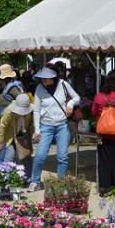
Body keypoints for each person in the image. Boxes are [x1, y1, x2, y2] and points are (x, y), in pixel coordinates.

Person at [29, 63, 80, 192]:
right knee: (40, 155)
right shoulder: (39, 88)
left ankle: (61, 184)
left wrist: (71, 104)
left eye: (46, 77)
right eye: (42, 77)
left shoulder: (63, 84)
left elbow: (77, 97)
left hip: (63, 125)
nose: (43, 80)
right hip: (46, 126)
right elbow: (36, 110)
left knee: (62, 157)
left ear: (54, 76)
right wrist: (37, 130)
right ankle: (35, 181)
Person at [0, 93, 35, 179]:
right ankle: (5, 179)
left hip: (24, 137)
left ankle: (24, 179)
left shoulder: (31, 112)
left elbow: (32, 125)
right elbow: (2, 126)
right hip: (11, 137)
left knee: (23, 158)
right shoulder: (9, 111)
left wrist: (33, 136)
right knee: (9, 157)